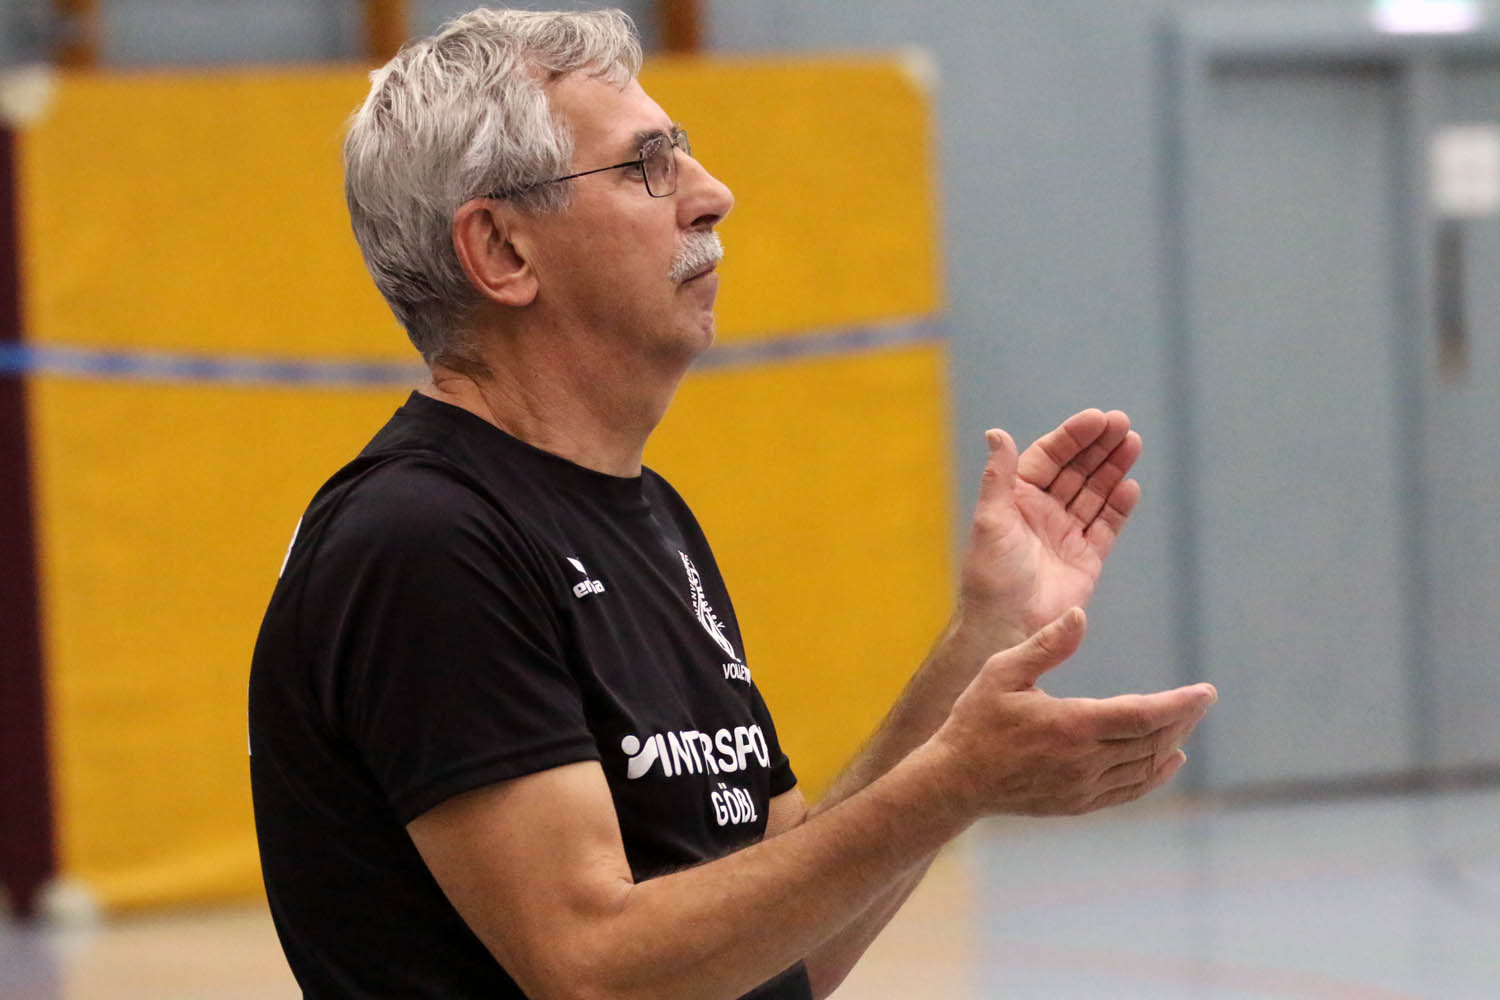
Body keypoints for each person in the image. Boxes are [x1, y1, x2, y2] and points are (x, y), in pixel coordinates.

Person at [248, 8, 1218, 999]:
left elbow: (782, 944)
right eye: (646, 167)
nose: (713, 196)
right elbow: (594, 971)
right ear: (502, 250)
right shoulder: (423, 540)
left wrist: (987, 637)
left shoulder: (648, 516)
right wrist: (956, 782)